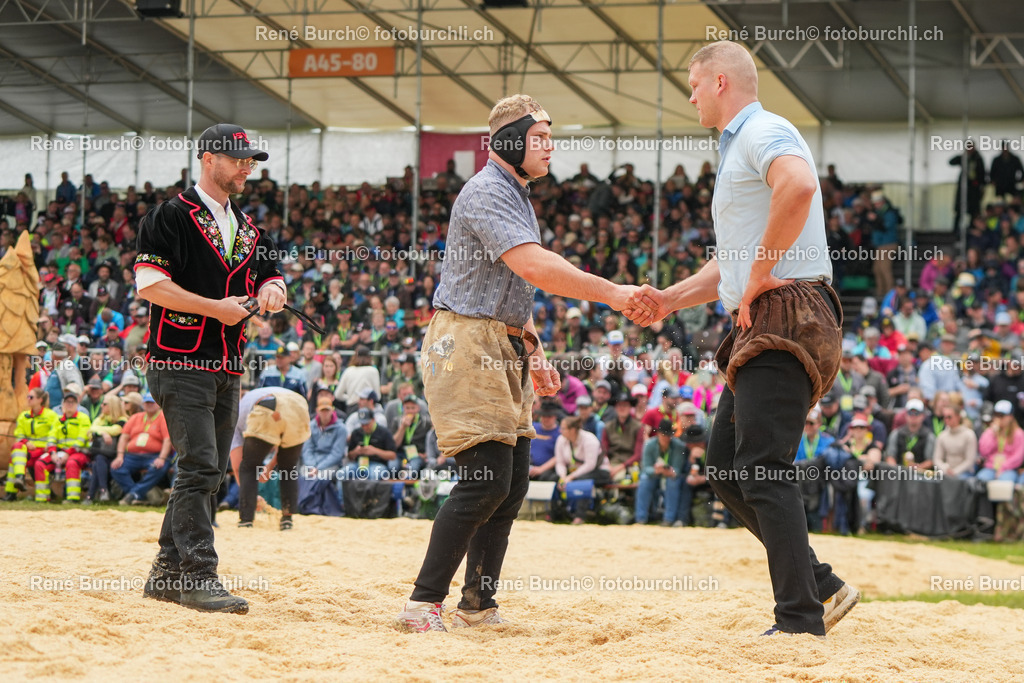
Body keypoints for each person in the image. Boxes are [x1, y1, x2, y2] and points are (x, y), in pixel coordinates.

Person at [623, 42, 858, 638]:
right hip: (774, 312)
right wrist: (671, 299)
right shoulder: (742, 146)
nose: (691, 95)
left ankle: (800, 620)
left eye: (694, 84)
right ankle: (820, 586)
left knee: (761, 466)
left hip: (787, 312)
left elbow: (799, 186)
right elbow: (732, 264)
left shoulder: (762, 130)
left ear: (720, 81)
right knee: (728, 466)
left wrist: (757, 276)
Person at [394, 93, 652, 633]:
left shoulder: (513, 193)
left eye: (550, 138)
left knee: (508, 484)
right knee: (484, 480)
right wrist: (612, 293)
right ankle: (422, 603)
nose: (550, 147)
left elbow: (513, 287)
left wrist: (534, 350)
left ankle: (477, 604)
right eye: (539, 138)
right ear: (509, 141)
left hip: (500, 341)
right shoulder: (488, 189)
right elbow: (533, 265)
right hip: (465, 341)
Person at [134, 123, 284, 614]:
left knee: (210, 470)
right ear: (207, 159)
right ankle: (199, 576)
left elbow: (270, 273)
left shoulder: (249, 227)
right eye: (238, 157)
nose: (247, 166)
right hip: (178, 359)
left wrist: (273, 291)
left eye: (251, 159)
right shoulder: (169, 216)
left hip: (226, 361)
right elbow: (151, 285)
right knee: (200, 466)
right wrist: (214, 308)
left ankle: (165, 573)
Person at [229, 387, 311, 530]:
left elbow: (238, 466)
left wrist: (251, 496)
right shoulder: (248, 402)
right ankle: (287, 519)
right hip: (299, 405)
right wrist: (270, 466)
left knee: (249, 467)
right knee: (289, 468)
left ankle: (246, 519)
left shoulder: (235, 420)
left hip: (267, 404)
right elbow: (282, 445)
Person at [111, 393, 172, 505]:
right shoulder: (135, 417)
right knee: (116, 468)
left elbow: (167, 440)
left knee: (158, 467)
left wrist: (162, 458)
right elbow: (124, 437)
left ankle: (133, 495)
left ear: (158, 404)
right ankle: (139, 496)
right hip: (133, 456)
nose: (149, 405)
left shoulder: (163, 417)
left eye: (152, 402)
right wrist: (120, 456)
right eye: (147, 402)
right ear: (142, 404)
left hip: (153, 455)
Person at [34, 391, 91, 503]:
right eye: (67, 402)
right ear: (63, 404)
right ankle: (42, 498)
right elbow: (51, 438)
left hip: (78, 453)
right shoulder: (58, 419)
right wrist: (52, 453)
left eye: (72, 402)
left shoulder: (83, 418)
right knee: (40, 463)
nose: (69, 404)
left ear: (77, 404)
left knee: (71, 463)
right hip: (58, 453)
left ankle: (72, 498)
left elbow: (81, 439)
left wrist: (68, 453)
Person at [4, 389, 59, 501]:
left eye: (31, 397)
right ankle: (17, 483)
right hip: (29, 451)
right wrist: (26, 442)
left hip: (44, 451)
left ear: (40, 400)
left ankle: (42, 496)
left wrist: (48, 446)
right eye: (28, 397)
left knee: (16, 458)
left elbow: (55, 434)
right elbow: (18, 433)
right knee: (16, 449)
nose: (28, 399)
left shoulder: (51, 415)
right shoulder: (24, 416)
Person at [635, 418, 686, 526]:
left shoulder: (679, 446)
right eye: (663, 435)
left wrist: (670, 472)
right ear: (658, 433)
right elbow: (646, 467)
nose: (666, 438)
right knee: (644, 480)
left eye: (668, 435)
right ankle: (641, 518)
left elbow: (677, 469)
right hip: (654, 474)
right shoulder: (649, 444)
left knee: (673, 482)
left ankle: (669, 519)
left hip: (669, 475)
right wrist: (656, 470)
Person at [84, 394, 128, 504]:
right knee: (98, 460)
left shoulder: (123, 420)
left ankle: (91, 496)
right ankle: (103, 490)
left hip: (117, 456)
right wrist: (103, 433)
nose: (101, 406)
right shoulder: (101, 418)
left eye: (104, 404)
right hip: (102, 454)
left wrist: (99, 431)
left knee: (97, 462)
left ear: (112, 406)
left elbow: (116, 430)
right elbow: (89, 431)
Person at [976, 400, 1024, 483]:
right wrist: (992, 434)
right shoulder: (990, 431)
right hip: (991, 467)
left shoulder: (1019, 434)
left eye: (1002, 415)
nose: (998, 418)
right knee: (980, 481)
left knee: (1004, 482)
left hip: (1009, 468)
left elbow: (1018, 457)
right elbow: (983, 452)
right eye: (996, 415)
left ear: (1010, 417)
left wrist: (1003, 467)